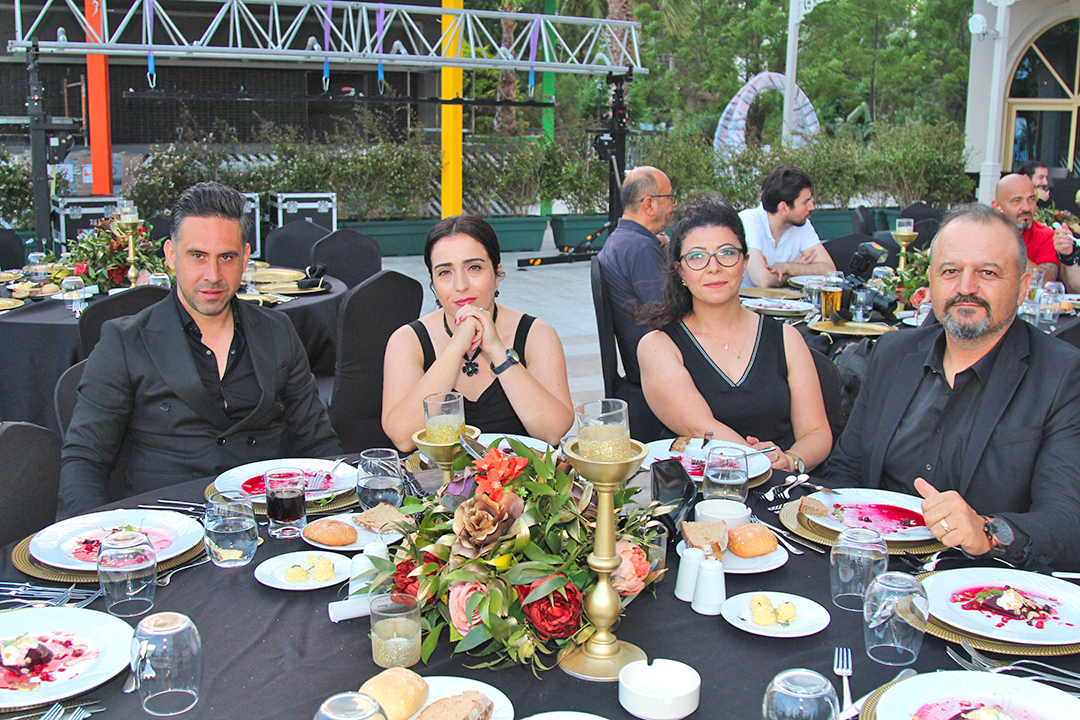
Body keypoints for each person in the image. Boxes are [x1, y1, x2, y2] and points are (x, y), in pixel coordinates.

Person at [823, 203, 1080, 570]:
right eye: (950, 271)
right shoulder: (894, 352)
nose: (965, 288)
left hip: (981, 582)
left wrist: (989, 532)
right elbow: (846, 469)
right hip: (873, 562)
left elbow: (1067, 521)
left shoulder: (1061, 375)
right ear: (931, 280)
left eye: (987, 272)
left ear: (1023, 287)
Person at [61, 182, 341, 514]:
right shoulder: (124, 341)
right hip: (165, 523)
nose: (213, 275)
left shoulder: (277, 330)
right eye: (197, 256)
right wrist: (99, 535)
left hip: (268, 519)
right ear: (170, 255)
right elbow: (85, 460)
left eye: (226, 257)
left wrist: (336, 512)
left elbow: (317, 441)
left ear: (245, 258)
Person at [637, 195, 832, 473]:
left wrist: (791, 459)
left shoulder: (786, 337)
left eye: (727, 253)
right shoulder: (659, 346)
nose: (713, 267)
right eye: (697, 257)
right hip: (700, 488)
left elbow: (816, 433)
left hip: (780, 486)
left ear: (745, 262)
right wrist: (760, 461)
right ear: (680, 271)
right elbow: (700, 427)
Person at [381, 215, 574, 451]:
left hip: (519, 474)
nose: (461, 285)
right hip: (436, 475)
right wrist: (455, 348)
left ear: (497, 273)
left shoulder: (537, 334)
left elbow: (553, 433)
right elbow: (403, 438)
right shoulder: (407, 340)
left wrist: (498, 352)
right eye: (445, 272)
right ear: (433, 282)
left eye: (474, 268)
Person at [596, 166, 676, 384]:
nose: (674, 204)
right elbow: (668, 315)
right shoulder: (640, 248)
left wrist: (663, 242)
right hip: (660, 371)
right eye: (670, 197)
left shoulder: (621, 240)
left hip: (641, 364)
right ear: (649, 205)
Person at [738, 166, 835, 288]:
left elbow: (830, 270)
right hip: (747, 299)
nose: (812, 207)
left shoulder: (802, 223)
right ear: (783, 208)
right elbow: (763, 281)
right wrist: (797, 274)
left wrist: (789, 267)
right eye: (806, 202)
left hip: (787, 299)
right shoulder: (749, 222)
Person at [991, 173, 1059, 283]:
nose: (1027, 208)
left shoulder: (1045, 235)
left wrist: (1010, 249)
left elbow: (1046, 281)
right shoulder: (983, 233)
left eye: (1031, 199)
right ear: (997, 206)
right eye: (1017, 201)